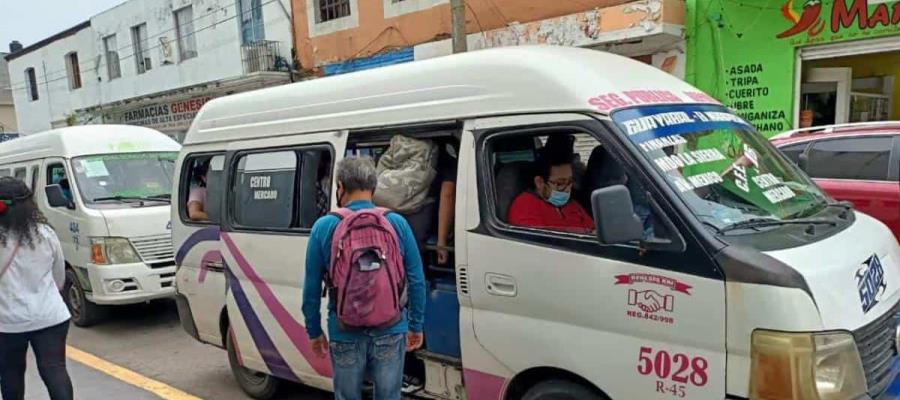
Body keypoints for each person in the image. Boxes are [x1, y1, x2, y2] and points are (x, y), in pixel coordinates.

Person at [302, 157, 426, 400]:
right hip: (391, 328)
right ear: (373, 187)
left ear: (340, 187)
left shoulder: (324, 226)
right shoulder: (397, 223)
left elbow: (311, 288)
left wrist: (313, 331)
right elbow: (416, 279)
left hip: (344, 329)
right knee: (389, 396)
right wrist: (415, 325)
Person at [0, 177, 74, 400]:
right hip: (51, 316)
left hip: (7, 321)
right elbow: (58, 275)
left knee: (10, 374)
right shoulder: (45, 233)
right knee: (55, 370)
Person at [508, 146, 595, 233]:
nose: (567, 189)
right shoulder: (525, 207)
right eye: (560, 183)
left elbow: (593, 230)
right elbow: (540, 243)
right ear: (539, 182)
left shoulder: (571, 203)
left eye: (570, 181)